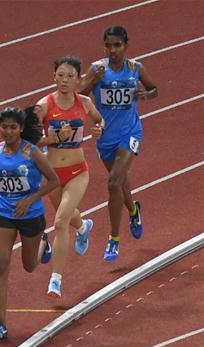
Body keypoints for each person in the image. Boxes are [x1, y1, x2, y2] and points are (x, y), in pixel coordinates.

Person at [80, 25, 158, 261]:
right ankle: (134, 210)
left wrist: (144, 95)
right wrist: (92, 79)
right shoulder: (97, 69)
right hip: (106, 137)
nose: (112, 50)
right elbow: (79, 96)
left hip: (130, 132)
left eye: (117, 45)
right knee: (120, 180)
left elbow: (154, 89)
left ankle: (113, 240)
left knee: (114, 182)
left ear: (126, 46)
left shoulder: (136, 68)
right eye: (108, 45)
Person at [0, 106, 60, 340]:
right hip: (4, 214)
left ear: (20, 128)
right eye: (4, 127)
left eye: (12, 127)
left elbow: (53, 181)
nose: (7, 131)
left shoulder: (32, 153)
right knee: (1, 266)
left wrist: (30, 199)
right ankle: (1, 324)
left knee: (30, 266)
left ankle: (43, 242)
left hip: (30, 215)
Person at [36, 55, 104, 297]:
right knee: (68, 217)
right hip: (53, 174)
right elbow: (29, 139)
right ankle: (84, 226)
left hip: (78, 172)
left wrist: (99, 129)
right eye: (60, 75)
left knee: (60, 222)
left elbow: (99, 120)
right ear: (54, 76)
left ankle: (56, 279)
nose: (64, 80)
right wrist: (54, 139)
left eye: (70, 76)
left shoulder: (84, 103)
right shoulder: (44, 105)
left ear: (78, 79)